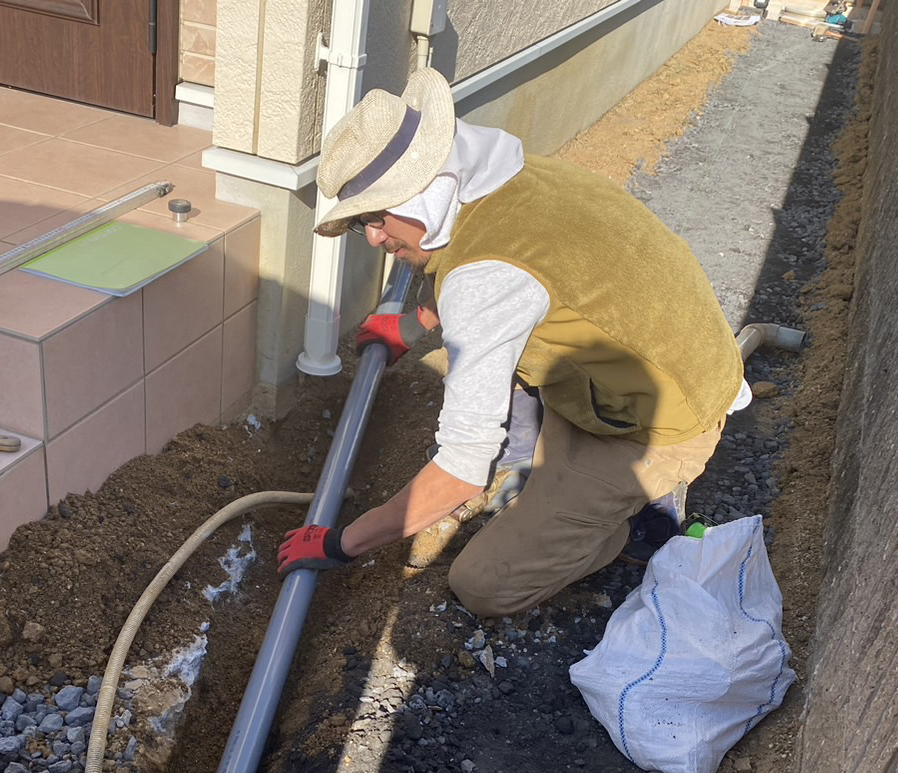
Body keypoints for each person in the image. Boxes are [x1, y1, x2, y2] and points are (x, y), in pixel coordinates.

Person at [276, 68, 745, 617]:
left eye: (378, 216)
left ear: (430, 191)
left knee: (483, 585)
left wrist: (339, 543)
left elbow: (457, 471)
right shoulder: (509, 180)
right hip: (663, 364)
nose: (375, 237)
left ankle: (627, 522)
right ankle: (537, 471)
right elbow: (490, 270)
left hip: (654, 424)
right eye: (362, 223)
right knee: (501, 357)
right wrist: (412, 325)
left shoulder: (486, 281)